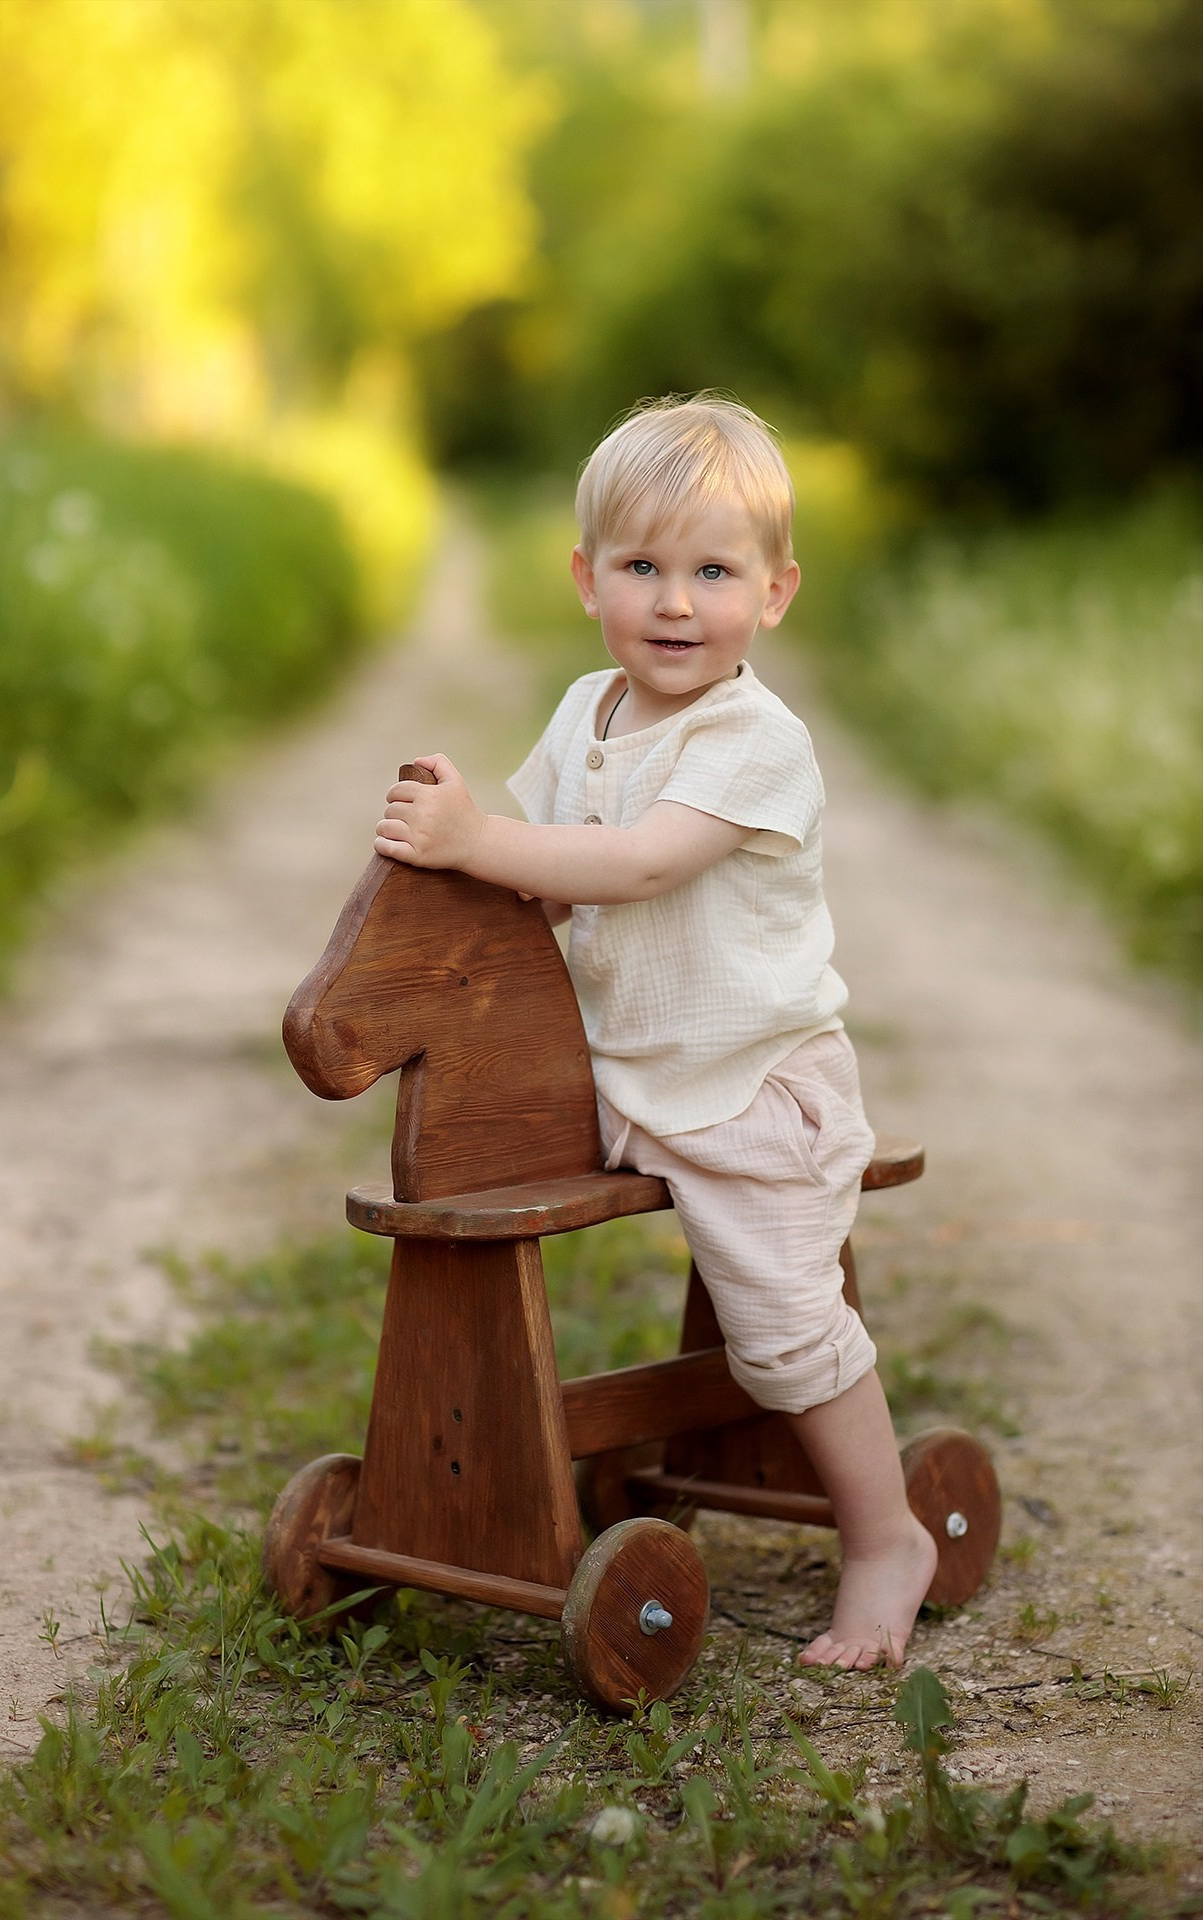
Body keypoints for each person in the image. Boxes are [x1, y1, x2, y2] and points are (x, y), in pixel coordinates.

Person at [374, 393, 937, 1668]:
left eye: (712, 572)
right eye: (641, 567)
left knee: (787, 1326)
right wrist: (457, 866)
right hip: (622, 1076)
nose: (675, 602)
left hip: (746, 1082)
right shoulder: (584, 714)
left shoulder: (756, 742)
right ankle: (489, 1466)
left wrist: (480, 839)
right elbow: (548, 877)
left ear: (775, 592)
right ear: (585, 580)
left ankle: (884, 1534)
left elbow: (629, 864)